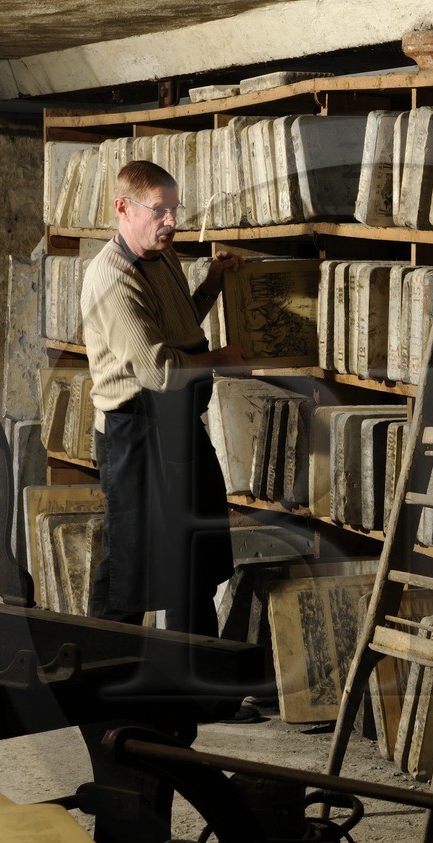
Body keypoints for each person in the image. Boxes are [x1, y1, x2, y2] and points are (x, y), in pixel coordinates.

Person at [80, 159, 249, 635]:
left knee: (194, 568)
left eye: (174, 209)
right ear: (123, 208)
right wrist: (220, 359)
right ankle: (101, 691)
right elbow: (158, 369)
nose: (171, 221)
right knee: (127, 574)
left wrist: (213, 283)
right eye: (159, 211)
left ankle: (198, 690)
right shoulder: (112, 277)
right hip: (135, 435)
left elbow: (179, 329)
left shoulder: (163, 254)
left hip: (178, 428)